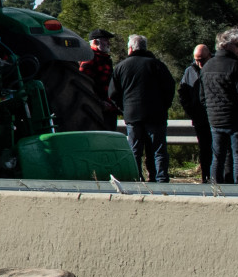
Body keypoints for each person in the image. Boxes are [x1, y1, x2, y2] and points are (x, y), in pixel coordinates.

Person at [109, 34, 175, 182]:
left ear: (130, 48)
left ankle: (136, 177)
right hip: (156, 114)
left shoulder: (121, 67)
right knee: (158, 149)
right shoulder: (157, 65)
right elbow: (170, 87)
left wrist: (124, 109)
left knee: (135, 150)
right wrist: (164, 106)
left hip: (133, 114)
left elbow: (113, 93)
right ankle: (161, 178)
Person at [199, 27, 238, 184]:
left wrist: (212, 110)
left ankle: (216, 189)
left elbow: (202, 97)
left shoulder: (207, 67)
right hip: (237, 120)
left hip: (215, 119)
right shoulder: (235, 66)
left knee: (217, 157)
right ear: (230, 46)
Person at [178, 44, 213, 183]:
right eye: (197, 60)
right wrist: (191, 111)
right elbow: (182, 92)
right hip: (199, 117)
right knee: (204, 149)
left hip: (216, 117)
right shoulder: (190, 71)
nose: (199, 63)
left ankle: (219, 177)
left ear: (209, 55)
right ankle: (206, 177)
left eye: (202, 60)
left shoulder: (214, 67)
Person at [80, 28, 120, 121]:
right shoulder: (89, 59)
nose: (108, 43)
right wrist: (98, 102)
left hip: (109, 107)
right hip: (98, 108)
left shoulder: (104, 58)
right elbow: (84, 84)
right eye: (105, 40)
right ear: (95, 42)